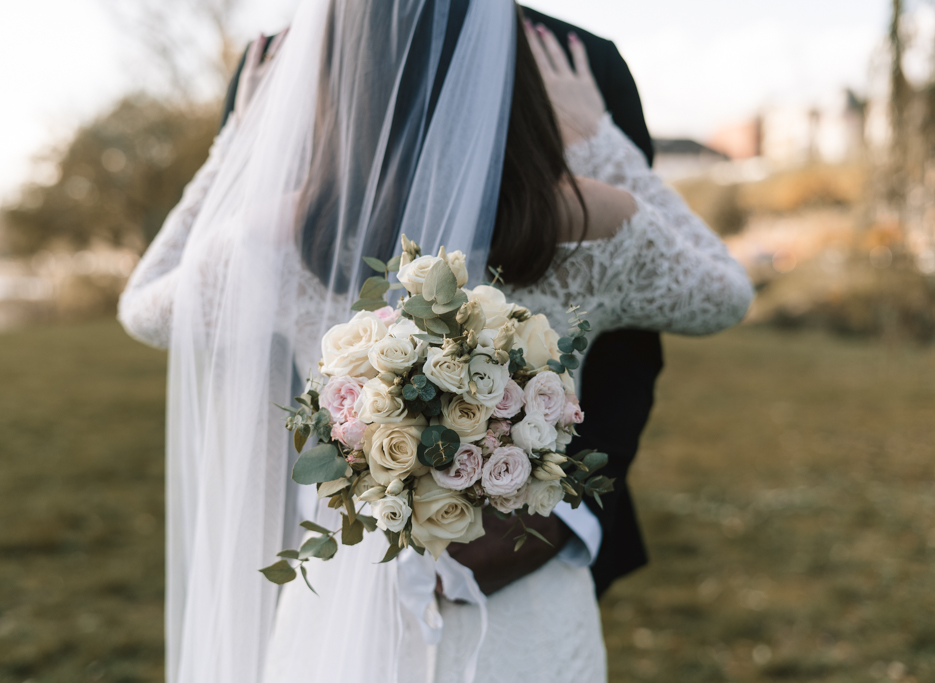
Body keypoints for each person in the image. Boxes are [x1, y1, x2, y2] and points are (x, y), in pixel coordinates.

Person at [118, 1, 753, 681]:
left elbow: (147, 305)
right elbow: (725, 291)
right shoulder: (598, 219)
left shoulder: (273, 235)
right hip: (525, 619)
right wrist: (600, 140)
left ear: (344, 56)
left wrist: (235, 149)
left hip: (347, 593)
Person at [220, 4, 660, 601]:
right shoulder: (276, 64)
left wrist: (561, 516)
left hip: (539, 546)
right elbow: (244, 322)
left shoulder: (578, 58)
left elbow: (633, 322)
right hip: (329, 551)